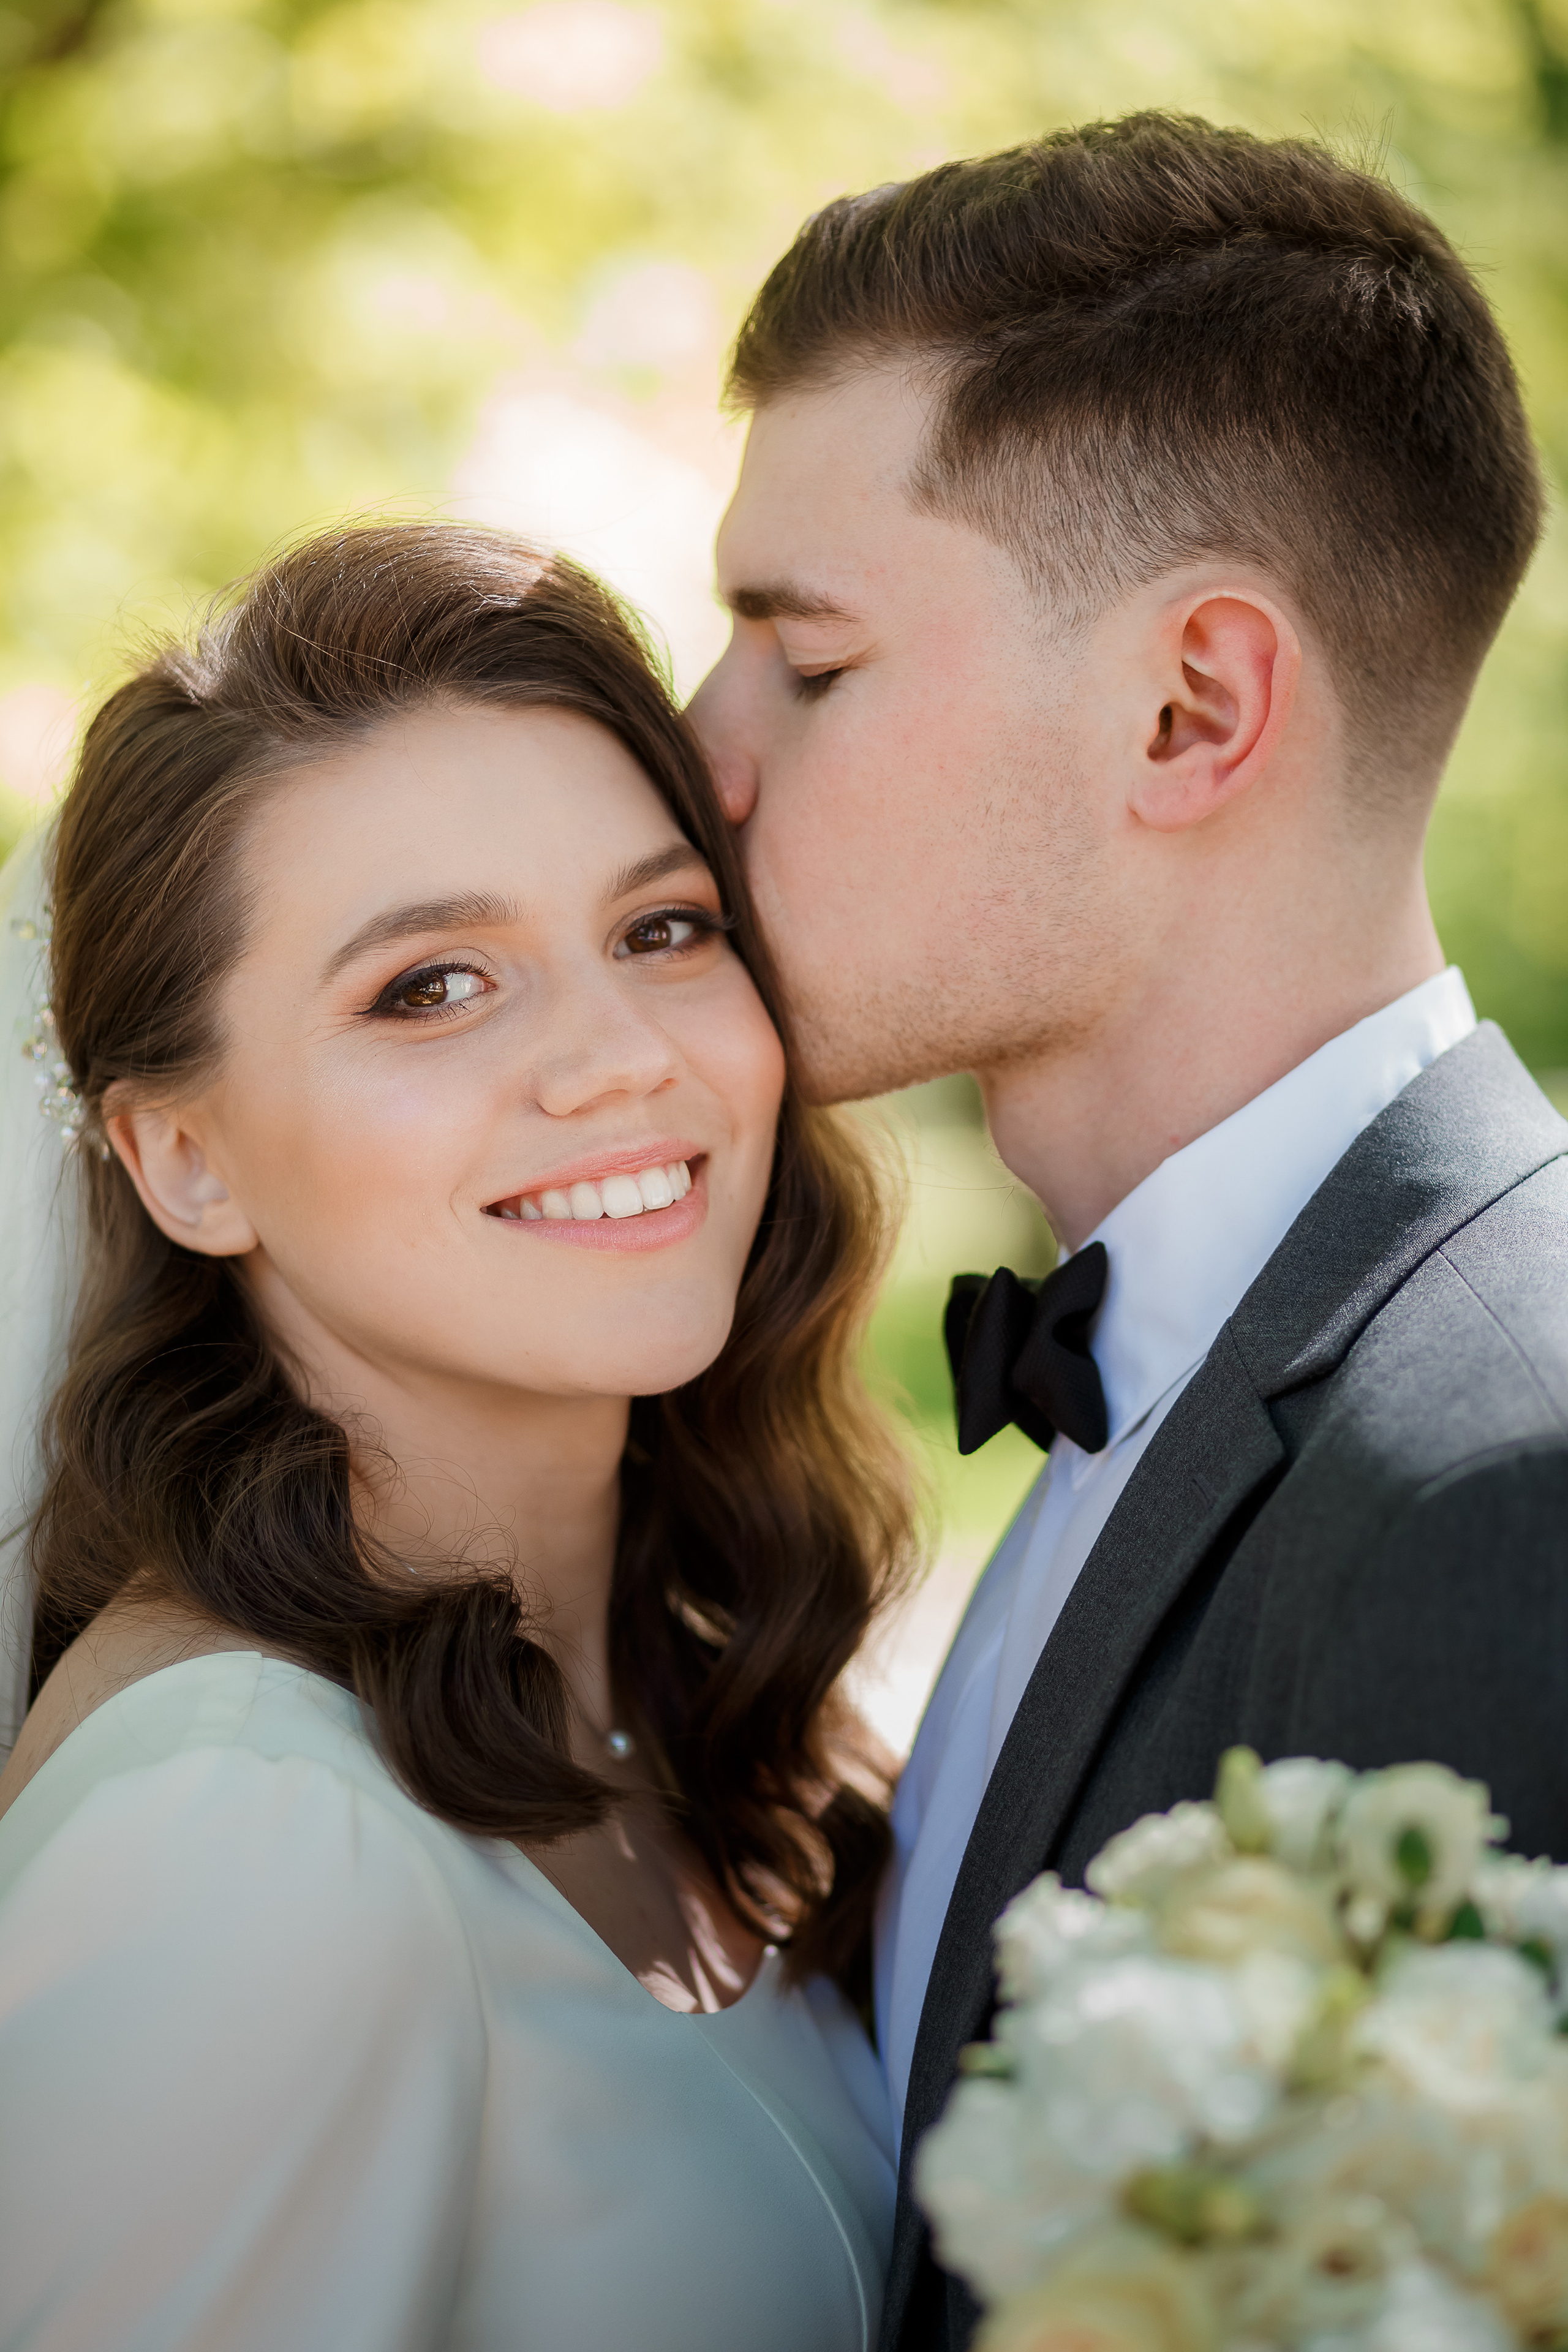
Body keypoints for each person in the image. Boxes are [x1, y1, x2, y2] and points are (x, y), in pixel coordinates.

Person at [688, 111, 1568, 2352]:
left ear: (1192, 708)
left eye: (804, 655)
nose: (702, 753)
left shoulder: (1504, 1485)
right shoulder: (1168, 1379)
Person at [0, 522, 912, 2351]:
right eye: (429, 987)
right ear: (181, 1157)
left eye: (664, 929)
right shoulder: (240, 1838)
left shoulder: (714, 1709)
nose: (619, 1059)